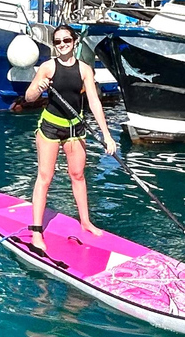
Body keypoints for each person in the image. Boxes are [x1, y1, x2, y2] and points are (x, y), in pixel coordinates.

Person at [24, 24, 116, 250]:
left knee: (78, 175)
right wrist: (39, 89)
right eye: (58, 42)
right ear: (54, 45)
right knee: (45, 177)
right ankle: (36, 232)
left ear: (74, 42)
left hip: (76, 128)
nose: (62, 44)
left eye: (67, 40)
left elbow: (94, 102)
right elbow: (28, 96)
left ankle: (85, 222)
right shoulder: (48, 67)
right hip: (51, 127)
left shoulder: (85, 70)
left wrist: (107, 135)